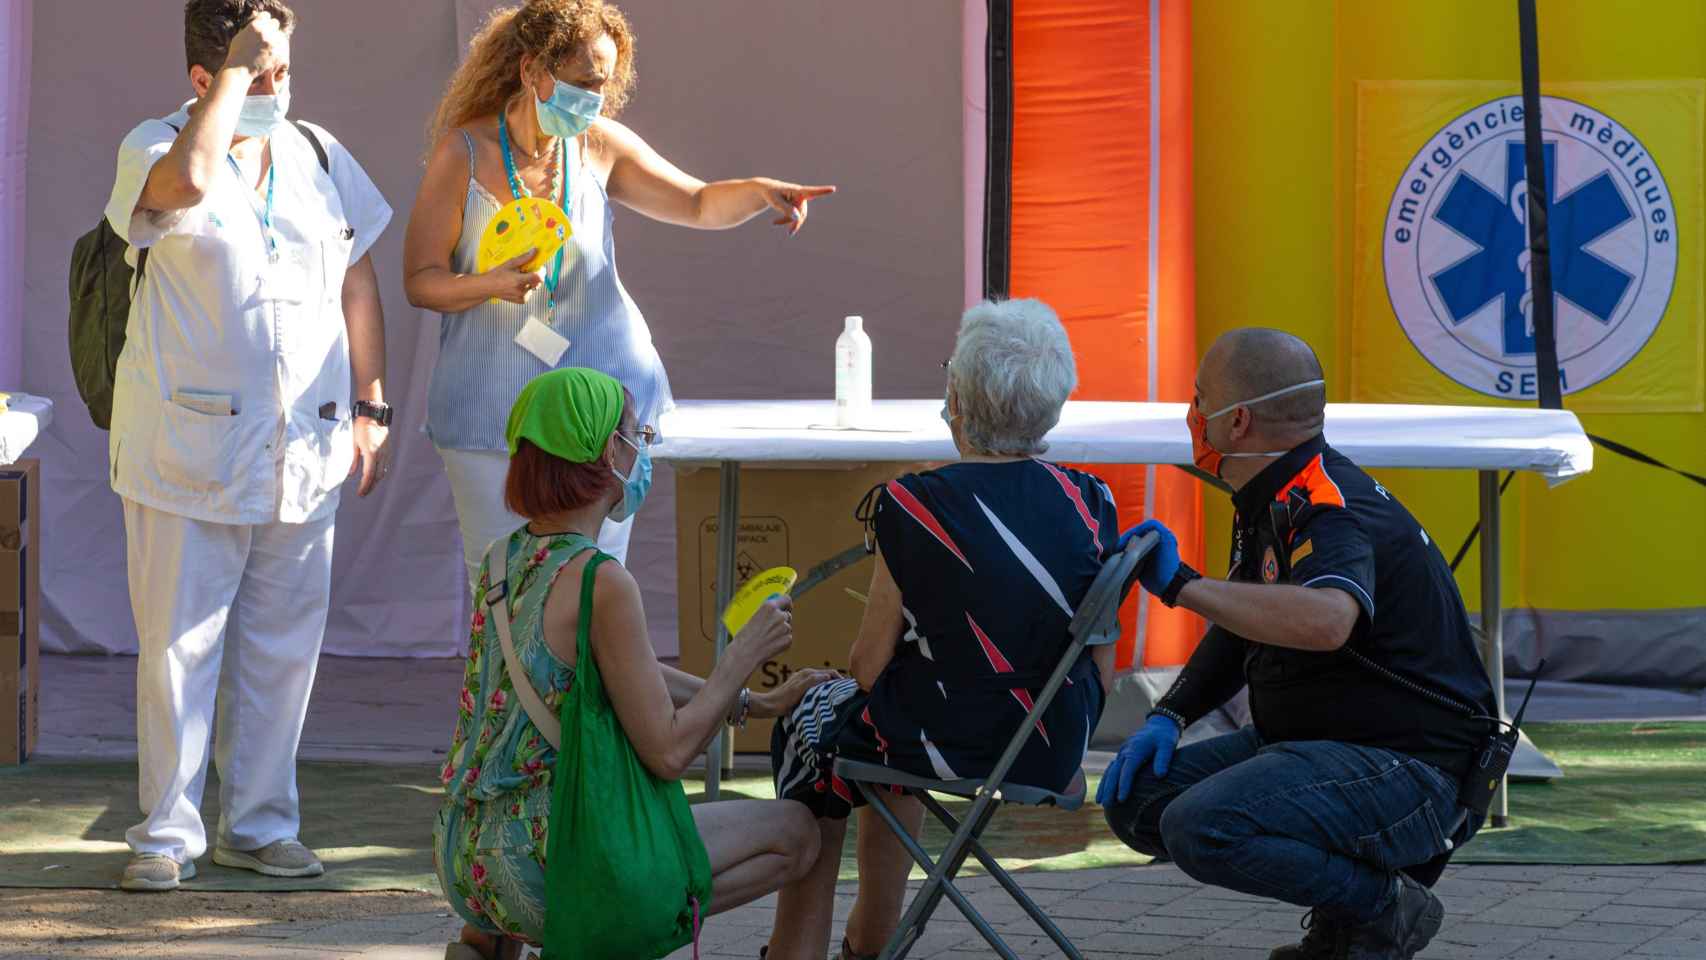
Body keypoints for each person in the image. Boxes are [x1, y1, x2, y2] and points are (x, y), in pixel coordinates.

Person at [103, 0, 393, 892]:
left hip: (304, 447)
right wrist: (236, 72)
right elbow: (189, 186)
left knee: (284, 646)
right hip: (187, 447)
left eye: (283, 69)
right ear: (205, 77)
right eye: (260, 70)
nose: (279, 87)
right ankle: (165, 834)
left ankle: (261, 824)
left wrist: (371, 403)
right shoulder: (155, 146)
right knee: (179, 649)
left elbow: (356, 273)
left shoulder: (317, 154)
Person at [403, 0, 836, 588]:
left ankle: (597, 686)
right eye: (585, 83)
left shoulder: (598, 143)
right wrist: (490, 285)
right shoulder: (464, 152)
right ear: (533, 71)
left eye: (604, 85)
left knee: (595, 589)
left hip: (599, 413)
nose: (596, 100)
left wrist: (760, 192)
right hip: (491, 413)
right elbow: (421, 280)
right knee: (502, 590)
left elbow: (698, 202)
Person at [1097, 329, 1499, 960]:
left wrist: (1179, 586)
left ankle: (1381, 909)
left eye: (1198, 400)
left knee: (1198, 824)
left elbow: (1328, 620)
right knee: (1141, 801)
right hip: (1321, 743)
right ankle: (1355, 922)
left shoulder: (1329, 503)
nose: (1190, 414)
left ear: (1236, 421)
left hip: (1417, 771)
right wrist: (1169, 716)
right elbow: (1244, 620)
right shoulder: (1271, 492)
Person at [433, 367, 837, 960]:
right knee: (798, 835)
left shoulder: (503, 561)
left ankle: (491, 947)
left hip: (467, 855)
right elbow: (670, 754)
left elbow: (630, 669)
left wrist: (750, 703)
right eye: (635, 434)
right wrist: (742, 657)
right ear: (606, 453)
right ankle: (605, 931)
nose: (642, 448)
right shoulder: (602, 581)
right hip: (554, 861)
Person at [764, 299, 1119, 960]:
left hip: (943, 741)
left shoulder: (911, 503)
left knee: (819, 721)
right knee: (890, 727)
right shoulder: (1091, 499)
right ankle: (869, 937)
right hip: (1052, 749)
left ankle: (802, 948)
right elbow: (1102, 668)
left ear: (955, 395)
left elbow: (867, 665)